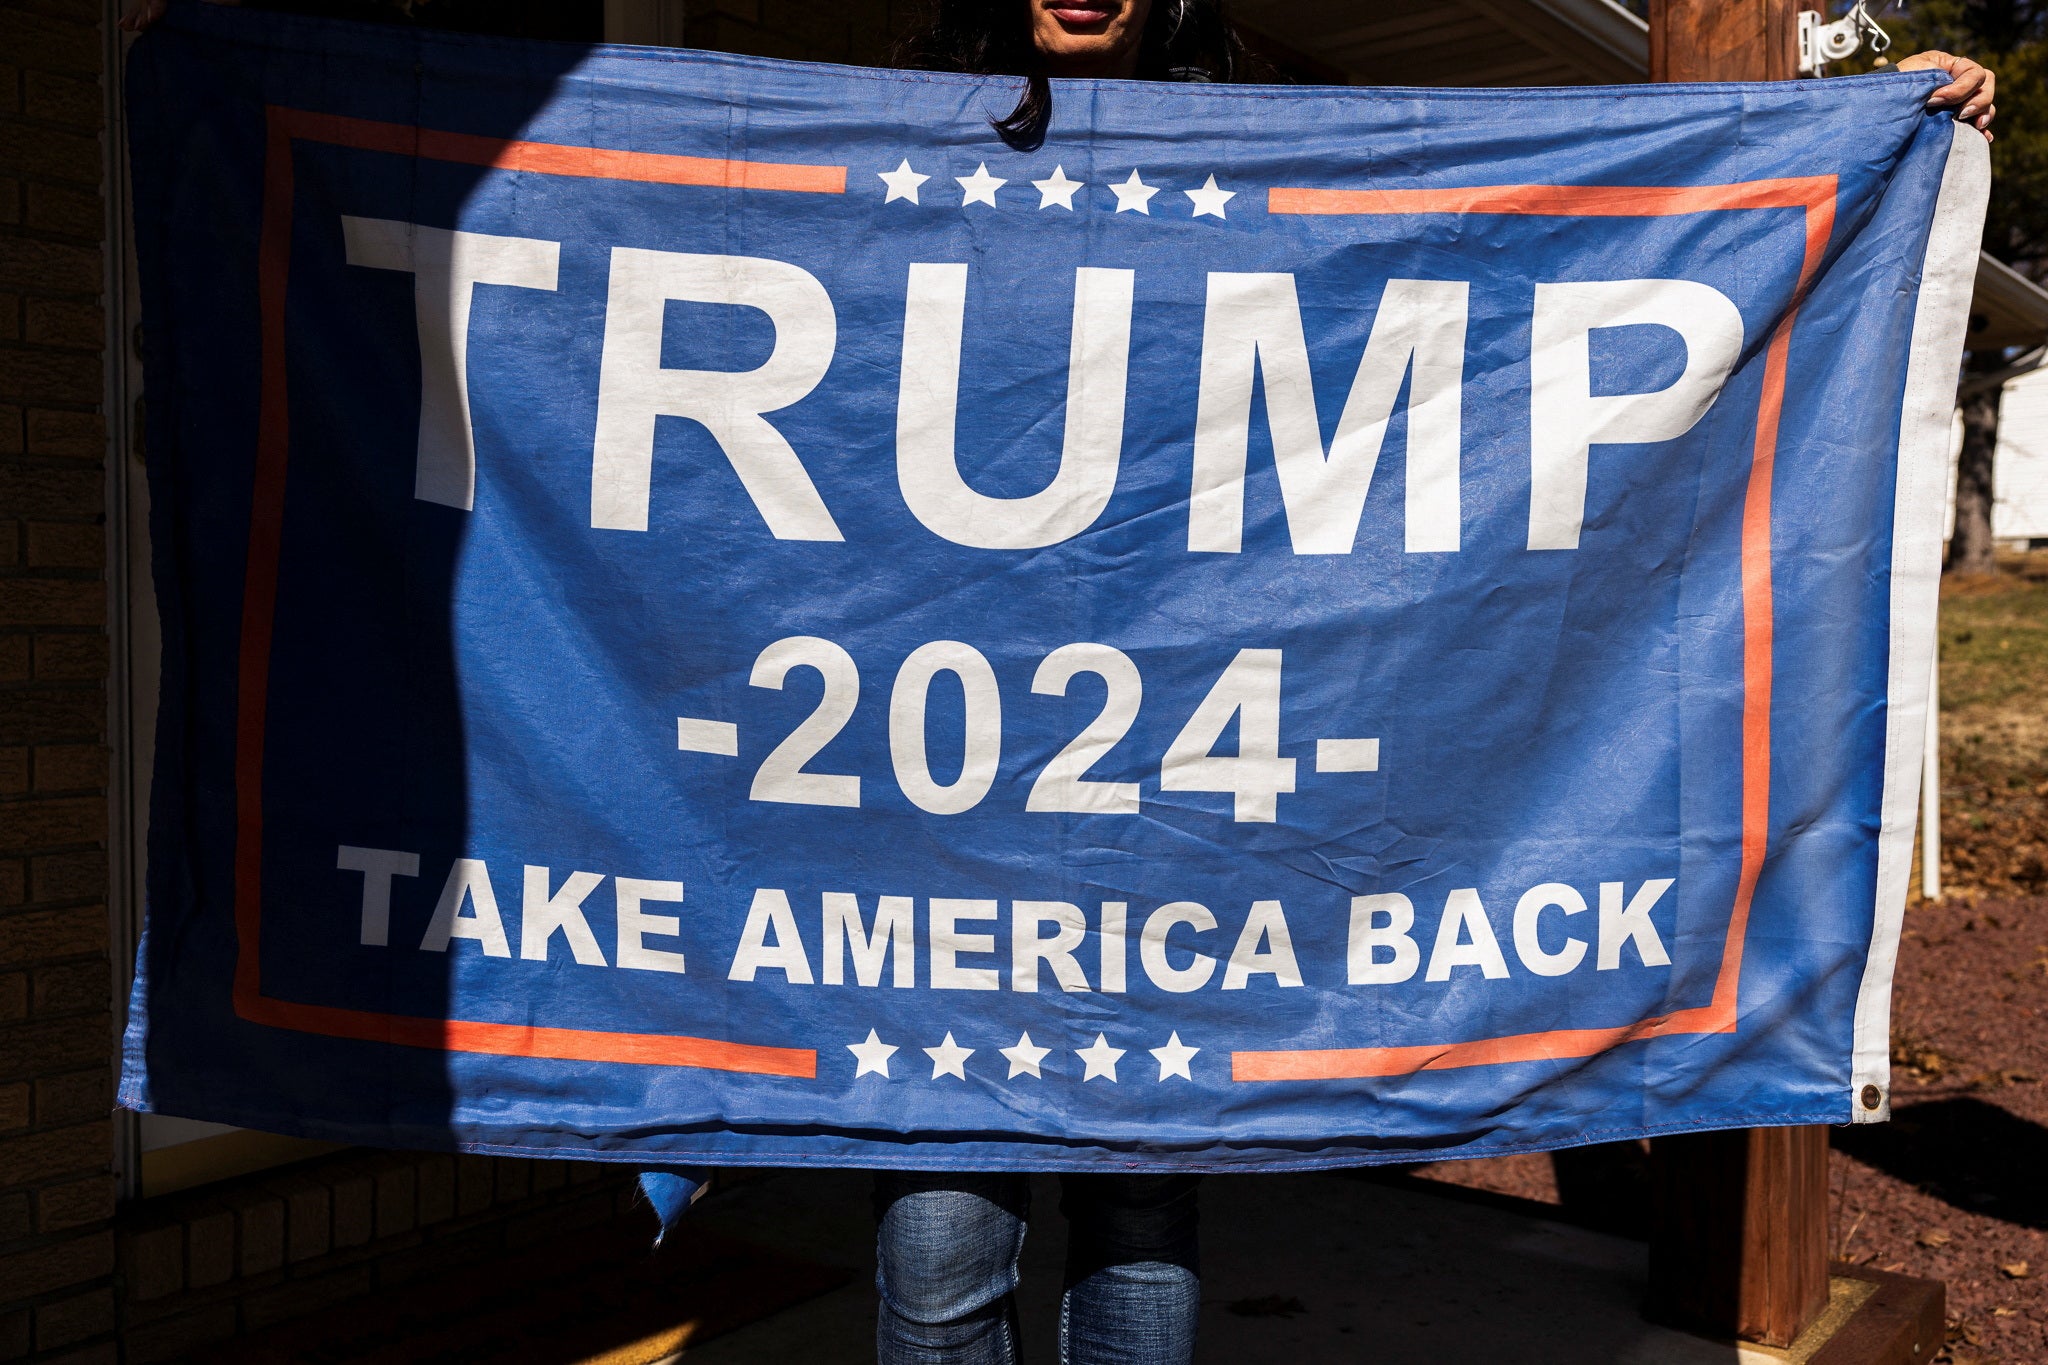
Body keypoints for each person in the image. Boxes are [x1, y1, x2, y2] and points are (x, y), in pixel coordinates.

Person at [116, 1, 1998, 1361]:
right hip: (921, 892)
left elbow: (1521, 215)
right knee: (938, 1255)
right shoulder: (883, 132)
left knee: (1146, 1242)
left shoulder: (1272, 134)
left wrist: (1883, 120)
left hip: (1170, 868)